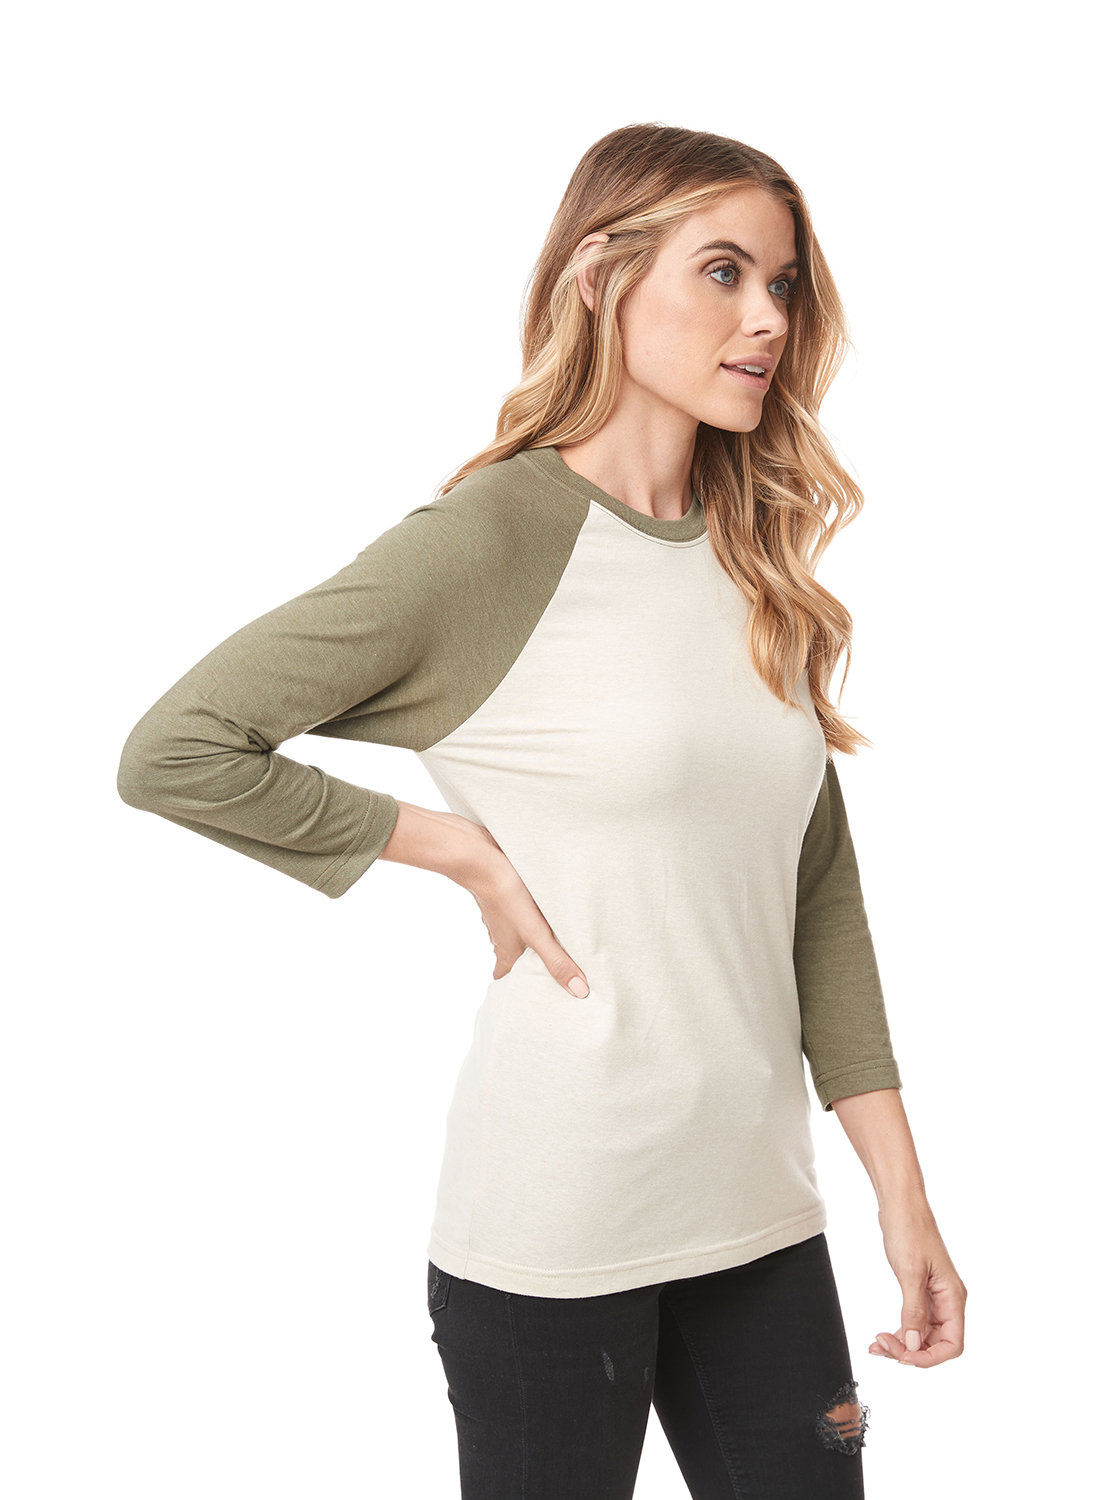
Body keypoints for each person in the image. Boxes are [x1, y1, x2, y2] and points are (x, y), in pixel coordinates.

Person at [117, 122, 966, 1499]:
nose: (766, 318)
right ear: (600, 275)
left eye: (783, 285)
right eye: (724, 272)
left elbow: (818, 901)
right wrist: (447, 847)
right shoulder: (491, 541)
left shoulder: (757, 558)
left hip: (762, 1217)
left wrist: (903, 1198)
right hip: (558, 1228)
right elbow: (179, 748)